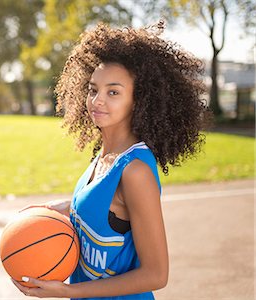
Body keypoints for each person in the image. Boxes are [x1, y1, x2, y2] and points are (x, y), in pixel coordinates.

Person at [12, 21, 210, 299]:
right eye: (93, 89)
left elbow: (156, 274)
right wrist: (64, 207)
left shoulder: (135, 171)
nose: (97, 100)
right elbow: (110, 211)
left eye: (113, 92)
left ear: (138, 100)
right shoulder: (103, 156)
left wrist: (69, 290)